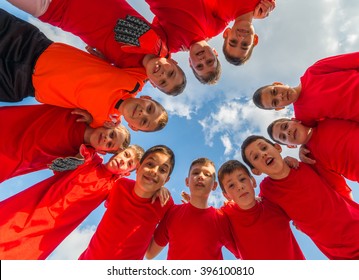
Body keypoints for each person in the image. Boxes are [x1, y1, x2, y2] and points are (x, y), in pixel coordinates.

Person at [0, 9, 168, 132]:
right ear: (147, 98)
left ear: (133, 127)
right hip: (33, 45)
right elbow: (158, 62)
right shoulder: (135, 80)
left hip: (18, 84)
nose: (142, 113)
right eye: (150, 109)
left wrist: (91, 121)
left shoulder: (101, 123)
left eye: (144, 121)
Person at [5, 0, 187, 96]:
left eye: (162, 82)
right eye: (171, 73)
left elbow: (121, 102)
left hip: (53, 9)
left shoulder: (131, 76)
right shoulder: (164, 39)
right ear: (174, 61)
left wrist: (109, 122)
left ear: (154, 85)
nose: (163, 75)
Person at [0, 144, 145, 260]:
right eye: (125, 155)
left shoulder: (112, 187)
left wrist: (156, 188)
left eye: (129, 164)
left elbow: (132, 198)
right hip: (30, 209)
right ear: (118, 152)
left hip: (47, 232)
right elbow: (84, 143)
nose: (123, 161)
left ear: (126, 173)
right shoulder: (90, 159)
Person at [241, 135, 359, 260]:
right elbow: (259, 216)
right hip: (341, 256)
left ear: (277, 147)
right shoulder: (268, 191)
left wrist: (303, 147)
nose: (262, 154)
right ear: (256, 171)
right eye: (255, 157)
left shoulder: (307, 164)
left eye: (264, 148)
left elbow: (316, 139)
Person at [79, 145, 175, 259]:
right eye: (150, 164)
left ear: (166, 180)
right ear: (138, 167)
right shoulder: (120, 185)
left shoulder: (165, 204)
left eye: (162, 170)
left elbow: (150, 253)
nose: (154, 171)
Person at [144, 0, 275, 84]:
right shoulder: (216, 27)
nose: (202, 59)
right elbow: (233, 13)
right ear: (215, 53)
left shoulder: (169, 46)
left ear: (190, 63)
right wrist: (256, 12)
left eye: (199, 66)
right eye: (209, 61)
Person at [0, 104, 130, 184]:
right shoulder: (81, 111)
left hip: (10, 160)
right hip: (10, 124)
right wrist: (96, 117)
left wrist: (79, 160)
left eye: (109, 145)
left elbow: (65, 170)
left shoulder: (83, 155)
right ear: (107, 124)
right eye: (112, 134)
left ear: (102, 151)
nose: (107, 139)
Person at [145, 158, 239, 260]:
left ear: (214, 185)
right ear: (187, 181)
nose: (200, 176)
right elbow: (149, 253)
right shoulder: (172, 213)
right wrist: (154, 191)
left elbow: (243, 253)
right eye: (196, 172)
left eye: (207, 174)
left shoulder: (222, 219)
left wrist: (242, 208)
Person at [218, 159, 305, 260]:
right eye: (231, 185)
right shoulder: (226, 218)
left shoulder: (271, 202)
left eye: (242, 179)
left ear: (253, 181)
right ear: (226, 195)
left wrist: (287, 163)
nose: (240, 186)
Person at [252, 52, 359, 127]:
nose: (280, 96)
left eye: (274, 91)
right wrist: (303, 148)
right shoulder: (303, 118)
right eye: (275, 102)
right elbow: (311, 135)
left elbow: (354, 59)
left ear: (278, 83)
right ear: (280, 108)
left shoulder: (314, 71)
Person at [267, 118, 359, 200]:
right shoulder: (311, 159)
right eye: (283, 137)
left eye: (285, 126)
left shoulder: (324, 119)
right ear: (290, 146)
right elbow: (339, 189)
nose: (287, 132)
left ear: (295, 120)